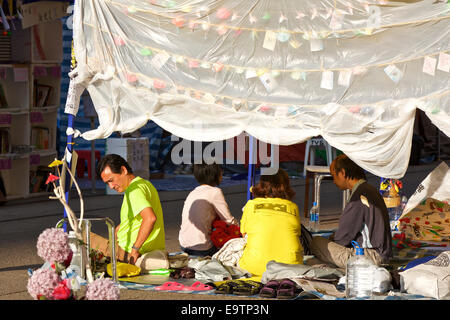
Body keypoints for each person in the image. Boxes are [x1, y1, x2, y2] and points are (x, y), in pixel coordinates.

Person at [308, 154, 392, 269]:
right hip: (382, 253)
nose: (333, 181)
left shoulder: (358, 198)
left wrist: (332, 242)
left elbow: (343, 237)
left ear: (342, 173)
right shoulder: (369, 189)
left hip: (370, 257)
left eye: (334, 176)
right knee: (328, 243)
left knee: (316, 243)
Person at [93, 154, 165, 265]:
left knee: (83, 238)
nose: (111, 186)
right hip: (135, 249)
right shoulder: (145, 184)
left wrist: (135, 249)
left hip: (129, 253)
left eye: (111, 180)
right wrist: (121, 228)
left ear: (123, 170)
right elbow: (139, 218)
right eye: (107, 183)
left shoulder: (134, 191)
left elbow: (150, 218)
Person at [238, 169, 303, 277]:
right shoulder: (292, 207)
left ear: (261, 184)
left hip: (253, 268)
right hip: (290, 269)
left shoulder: (251, 205)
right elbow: (297, 235)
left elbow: (244, 234)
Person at [178, 163, 238, 256]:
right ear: (215, 175)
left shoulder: (193, 192)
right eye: (221, 172)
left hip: (184, 244)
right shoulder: (215, 192)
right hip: (202, 248)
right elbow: (228, 220)